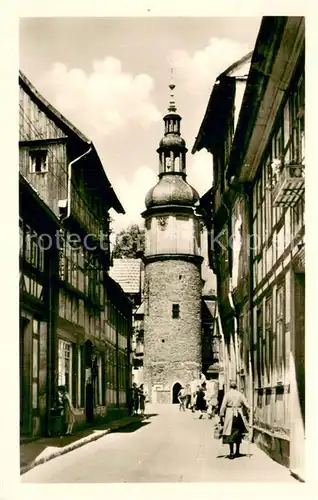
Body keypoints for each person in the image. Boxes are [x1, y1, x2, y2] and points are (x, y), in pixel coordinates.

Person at [219, 381, 249, 459]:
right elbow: (246, 403)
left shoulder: (227, 394)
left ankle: (231, 452)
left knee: (230, 433)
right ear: (236, 387)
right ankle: (237, 451)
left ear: (230, 386)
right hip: (238, 414)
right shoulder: (240, 394)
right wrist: (248, 409)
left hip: (229, 414)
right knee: (238, 432)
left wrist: (221, 414)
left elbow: (223, 405)